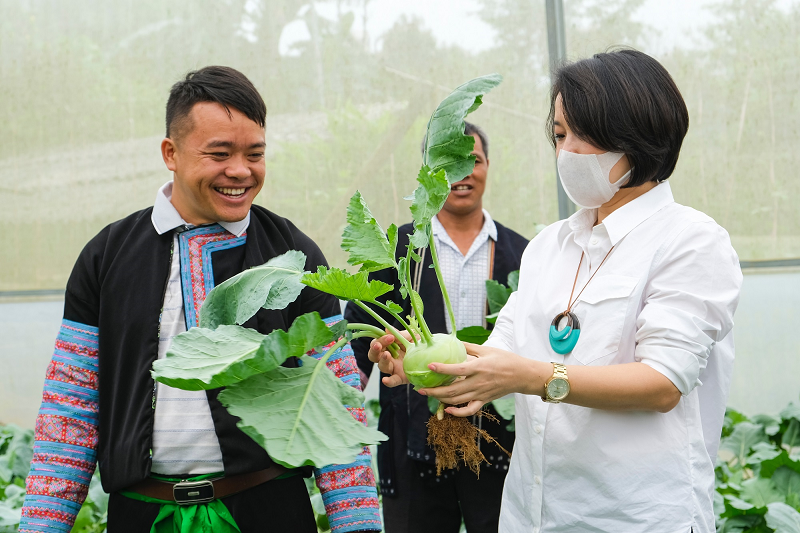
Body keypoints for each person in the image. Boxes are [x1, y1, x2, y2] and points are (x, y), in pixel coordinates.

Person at [368, 49, 743, 533]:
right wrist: (431, 361)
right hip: (533, 515)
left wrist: (531, 376)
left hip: (635, 518)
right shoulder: (549, 245)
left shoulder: (690, 240)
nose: (565, 151)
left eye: (580, 134)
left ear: (635, 133)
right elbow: (499, 353)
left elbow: (663, 384)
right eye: (559, 135)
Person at [19, 66, 380, 533]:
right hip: (144, 516)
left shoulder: (293, 255)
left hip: (268, 510)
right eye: (219, 154)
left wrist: (359, 524)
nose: (241, 171)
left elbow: (335, 403)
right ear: (171, 153)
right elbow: (71, 410)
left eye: (255, 154)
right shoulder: (106, 257)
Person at [346, 122, 529, 533]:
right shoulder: (394, 254)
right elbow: (355, 353)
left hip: (497, 442)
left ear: (488, 166)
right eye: (450, 164)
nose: (464, 173)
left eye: (474, 161)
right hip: (414, 442)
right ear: (430, 173)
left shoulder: (524, 254)